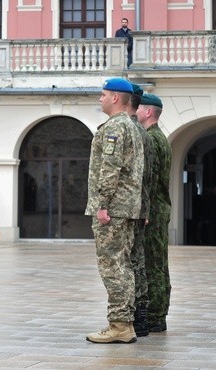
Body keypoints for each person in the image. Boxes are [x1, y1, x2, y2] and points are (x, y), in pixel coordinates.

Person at [85, 78, 144, 343]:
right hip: (127, 207)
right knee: (124, 266)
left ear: (116, 98)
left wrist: (103, 205)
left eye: (103, 94)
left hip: (114, 208)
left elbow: (110, 169)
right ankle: (125, 323)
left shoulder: (115, 127)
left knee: (112, 267)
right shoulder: (130, 125)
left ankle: (119, 324)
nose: (100, 98)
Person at [136, 93, 172, 333]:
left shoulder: (152, 139)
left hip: (154, 210)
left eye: (138, 108)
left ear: (148, 112)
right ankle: (158, 313)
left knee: (152, 263)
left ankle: (155, 315)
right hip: (159, 207)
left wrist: (144, 210)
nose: (135, 111)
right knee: (158, 261)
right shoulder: (160, 137)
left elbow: (150, 178)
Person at [127, 83, 153, 337]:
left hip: (128, 208)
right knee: (138, 263)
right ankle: (141, 317)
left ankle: (131, 318)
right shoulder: (144, 133)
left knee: (127, 264)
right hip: (139, 207)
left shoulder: (130, 131)